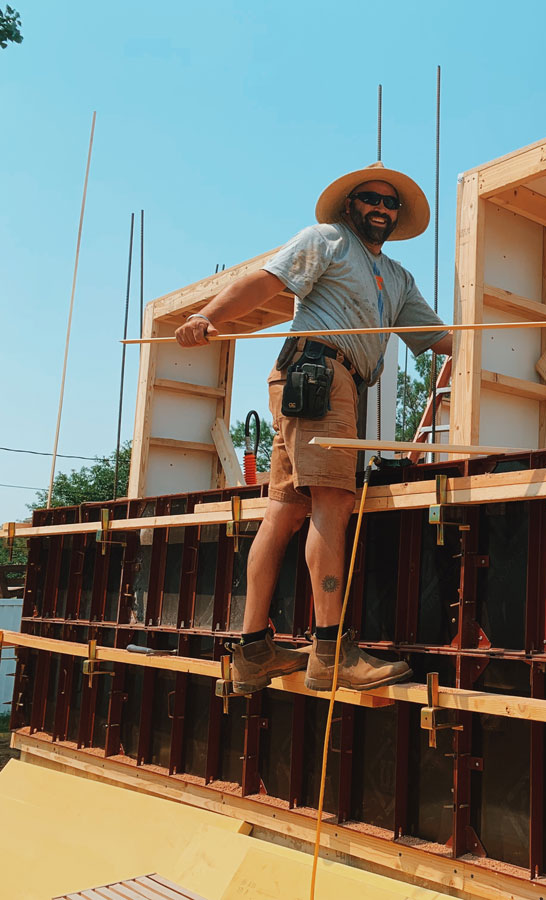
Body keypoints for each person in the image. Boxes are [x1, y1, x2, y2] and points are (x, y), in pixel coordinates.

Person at [174, 161, 452, 695]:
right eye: (371, 198)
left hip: (324, 381)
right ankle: (332, 652)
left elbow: (437, 336)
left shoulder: (396, 278)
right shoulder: (327, 241)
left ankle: (253, 650)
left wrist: (497, 352)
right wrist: (209, 317)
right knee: (332, 503)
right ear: (351, 205)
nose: (381, 208)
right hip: (319, 373)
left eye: (390, 203)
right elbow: (268, 281)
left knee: (284, 511)